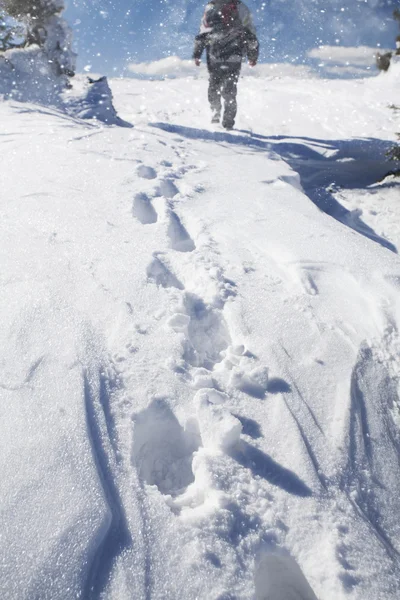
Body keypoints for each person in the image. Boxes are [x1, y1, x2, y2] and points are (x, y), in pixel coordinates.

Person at [193, 0, 259, 130]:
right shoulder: (218, 8)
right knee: (224, 90)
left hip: (221, 56)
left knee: (217, 89)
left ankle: (220, 118)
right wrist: (252, 55)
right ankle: (222, 119)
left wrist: (197, 53)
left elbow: (202, 35)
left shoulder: (215, 7)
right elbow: (251, 36)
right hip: (226, 56)